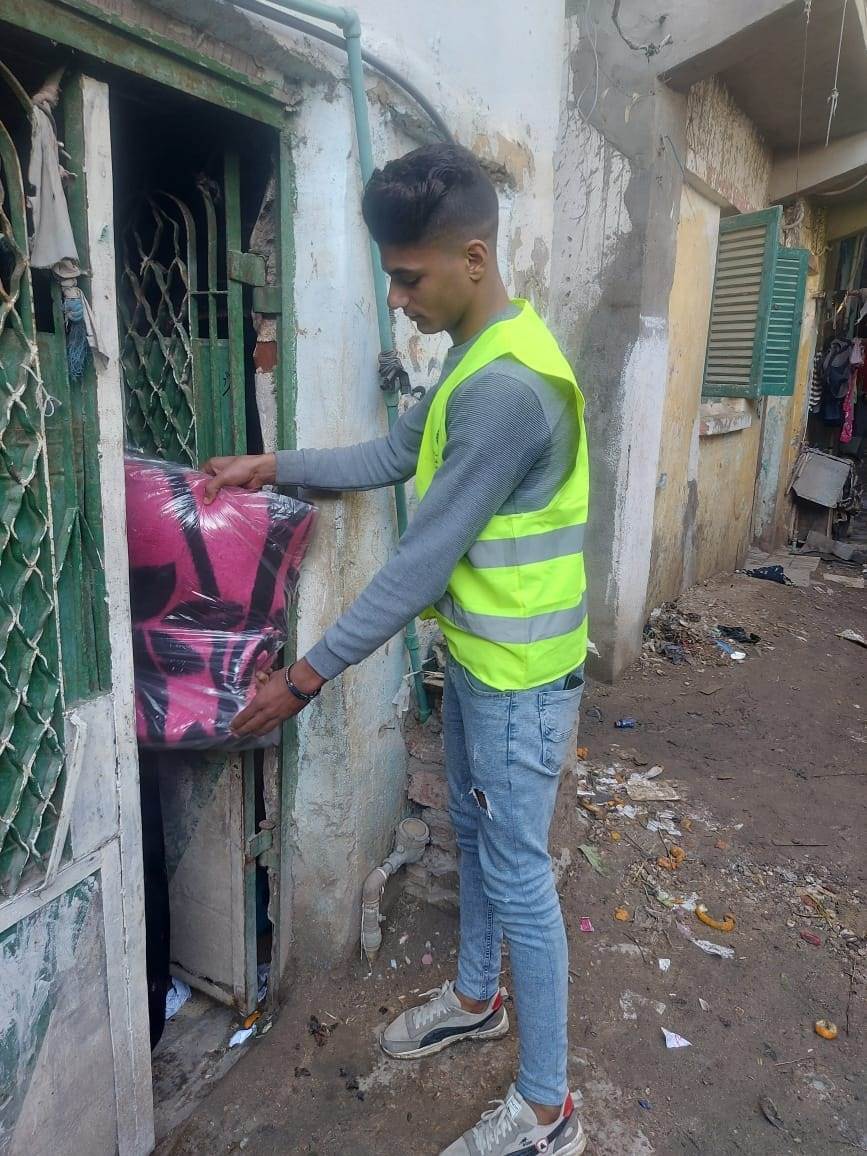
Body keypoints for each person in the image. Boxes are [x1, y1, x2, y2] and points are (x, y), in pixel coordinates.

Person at [203, 143, 589, 1156]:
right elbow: (393, 453)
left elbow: (418, 567)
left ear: (472, 257)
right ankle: (475, 998)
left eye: (408, 278)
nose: (396, 299)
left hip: (521, 683)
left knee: (519, 878)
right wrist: (271, 465)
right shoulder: (477, 351)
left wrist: (303, 677)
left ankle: (547, 1110)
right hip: (484, 665)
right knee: (480, 840)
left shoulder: (505, 389)